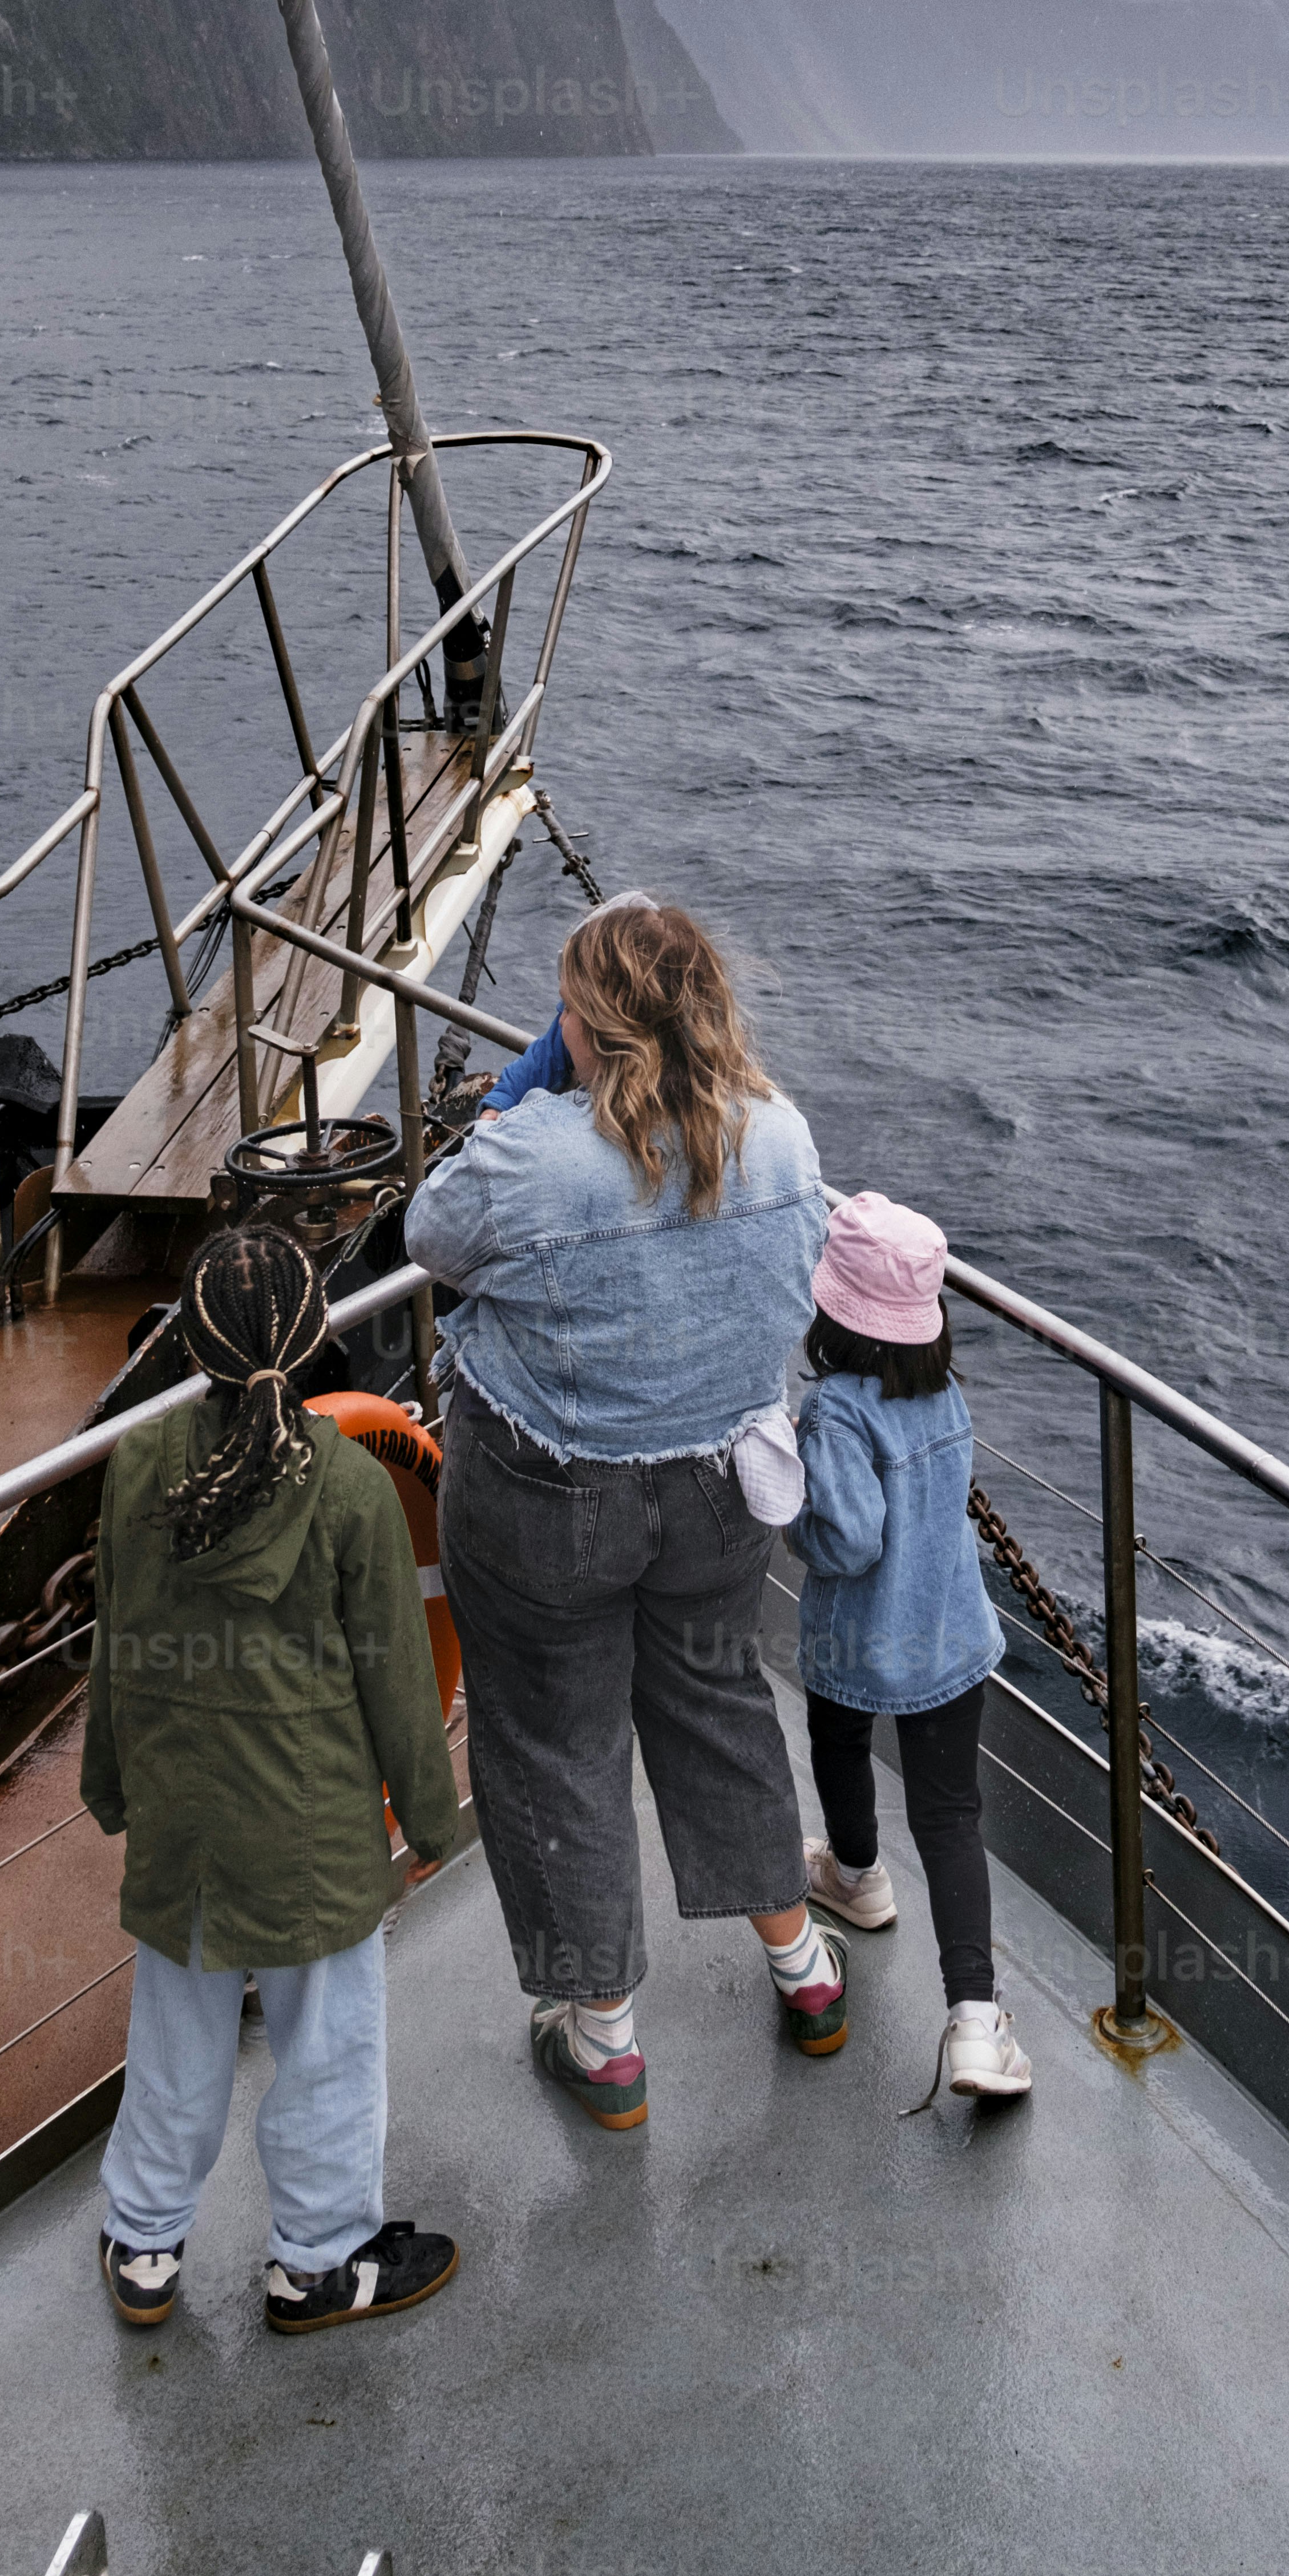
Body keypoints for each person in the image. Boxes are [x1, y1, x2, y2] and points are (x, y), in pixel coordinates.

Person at [404, 897, 842, 2127]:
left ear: (588, 1028)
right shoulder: (782, 1135)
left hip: (548, 1499)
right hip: (718, 1490)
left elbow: (430, 1234)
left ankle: (602, 2040)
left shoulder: (534, 1155)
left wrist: (517, 1097)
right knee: (718, 1699)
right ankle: (804, 1970)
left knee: (555, 1741)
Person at [80, 1224, 463, 2332]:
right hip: (314, 1835)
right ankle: (319, 2261)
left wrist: (113, 1786)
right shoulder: (349, 1486)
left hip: (183, 1827)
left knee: (175, 2041)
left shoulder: (138, 1467)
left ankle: (144, 2242)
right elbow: (397, 1678)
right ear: (313, 1344)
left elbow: (117, 1646)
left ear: (191, 1348)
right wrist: (429, 1820)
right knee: (330, 2050)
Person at [791, 1191, 1033, 2105]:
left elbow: (849, 1540)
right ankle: (975, 2019)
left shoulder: (834, 1412)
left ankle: (856, 1876)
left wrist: (792, 1521)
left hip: (858, 1637)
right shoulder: (947, 1394)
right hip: (948, 1634)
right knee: (950, 1818)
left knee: (839, 1742)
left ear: (835, 1316)